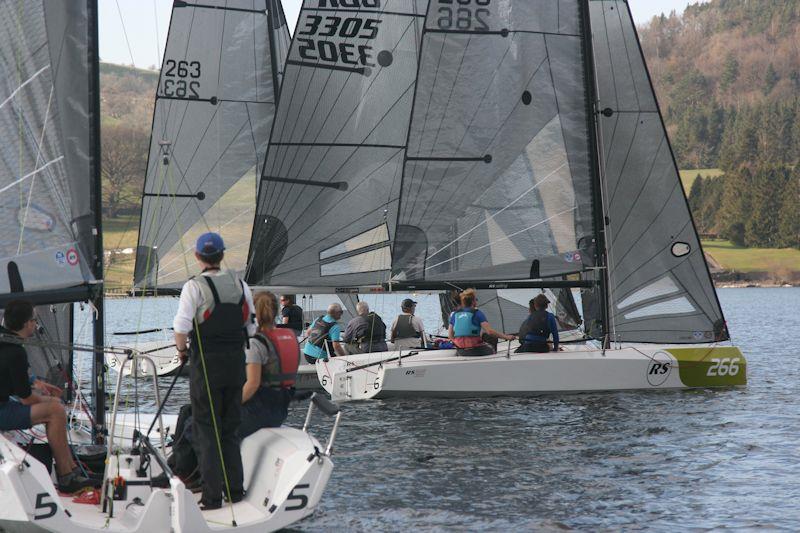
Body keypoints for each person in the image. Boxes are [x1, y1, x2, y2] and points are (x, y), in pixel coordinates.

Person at [173, 232, 256, 510]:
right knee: (230, 428)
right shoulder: (240, 284)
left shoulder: (194, 287)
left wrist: (182, 351)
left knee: (205, 430)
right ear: (222, 255)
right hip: (236, 366)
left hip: (206, 366)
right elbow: (251, 327)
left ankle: (212, 497)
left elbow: (181, 329)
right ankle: (235, 491)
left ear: (198, 257)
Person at [0, 300, 98, 493]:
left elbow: (8, 374)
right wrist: (51, 401)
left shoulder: (5, 341)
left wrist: (36, 382)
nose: (36, 325)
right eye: (34, 321)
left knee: (56, 407)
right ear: (27, 323)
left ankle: (72, 469)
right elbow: (25, 399)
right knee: (55, 411)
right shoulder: (16, 352)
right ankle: (66, 476)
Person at [240, 291, 299, 438]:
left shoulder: (256, 343)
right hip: (280, 410)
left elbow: (253, 384)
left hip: (257, 412)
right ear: (276, 311)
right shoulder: (289, 336)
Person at [448, 289, 515, 356]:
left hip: (461, 350)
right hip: (475, 349)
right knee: (491, 341)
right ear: (473, 301)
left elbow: (450, 335)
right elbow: (490, 332)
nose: (476, 301)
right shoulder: (477, 313)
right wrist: (507, 337)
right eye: (476, 299)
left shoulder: (455, 315)